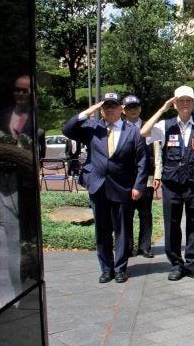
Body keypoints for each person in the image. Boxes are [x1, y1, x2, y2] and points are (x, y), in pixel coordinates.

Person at [62, 92, 148, 284]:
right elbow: (67, 129)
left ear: (121, 109)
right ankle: (106, 268)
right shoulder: (92, 127)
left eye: (114, 106)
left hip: (122, 187)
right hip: (97, 186)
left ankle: (120, 269)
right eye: (106, 106)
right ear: (101, 109)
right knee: (102, 231)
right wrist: (88, 112)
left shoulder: (133, 131)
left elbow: (142, 161)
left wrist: (138, 185)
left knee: (122, 231)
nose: (110, 109)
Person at [140, 86, 194, 281]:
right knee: (172, 224)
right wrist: (162, 109)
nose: (185, 104)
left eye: (188, 101)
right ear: (174, 104)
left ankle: (191, 262)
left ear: (193, 104)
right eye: (181, 100)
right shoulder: (165, 125)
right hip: (172, 184)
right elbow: (143, 132)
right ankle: (175, 263)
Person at [122, 94, 155, 258]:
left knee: (145, 213)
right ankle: (127, 247)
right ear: (123, 110)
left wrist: (158, 175)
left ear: (140, 108)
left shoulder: (148, 126)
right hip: (125, 178)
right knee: (126, 214)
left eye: (135, 107)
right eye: (129, 107)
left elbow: (157, 152)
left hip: (146, 177)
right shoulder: (119, 127)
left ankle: (145, 246)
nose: (133, 110)